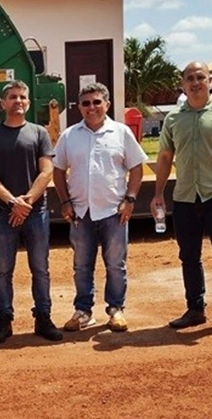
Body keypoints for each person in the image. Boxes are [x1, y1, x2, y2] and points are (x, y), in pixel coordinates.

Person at [151, 61, 212, 336]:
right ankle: (195, 309)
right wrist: (158, 194)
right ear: (182, 84)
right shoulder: (173, 119)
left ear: (210, 80)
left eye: (200, 77)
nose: (195, 83)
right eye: (190, 78)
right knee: (189, 257)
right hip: (185, 197)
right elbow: (164, 158)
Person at [53, 83, 147, 333]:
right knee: (82, 265)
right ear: (79, 107)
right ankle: (83, 312)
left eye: (97, 102)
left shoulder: (121, 133)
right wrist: (64, 202)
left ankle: (116, 310)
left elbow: (137, 168)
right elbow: (58, 170)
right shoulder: (69, 136)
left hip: (113, 212)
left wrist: (130, 199)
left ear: (107, 104)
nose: (91, 107)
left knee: (116, 264)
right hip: (80, 212)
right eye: (86, 103)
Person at [0, 81, 63, 344]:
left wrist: (25, 203)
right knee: (4, 270)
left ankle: (43, 318)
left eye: (22, 97)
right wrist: (12, 202)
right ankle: (4, 321)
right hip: (4, 213)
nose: (18, 101)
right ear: (3, 103)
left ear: (28, 102)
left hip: (35, 212)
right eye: (12, 97)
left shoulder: (39, 133)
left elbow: (46, 171)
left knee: (41, 269)